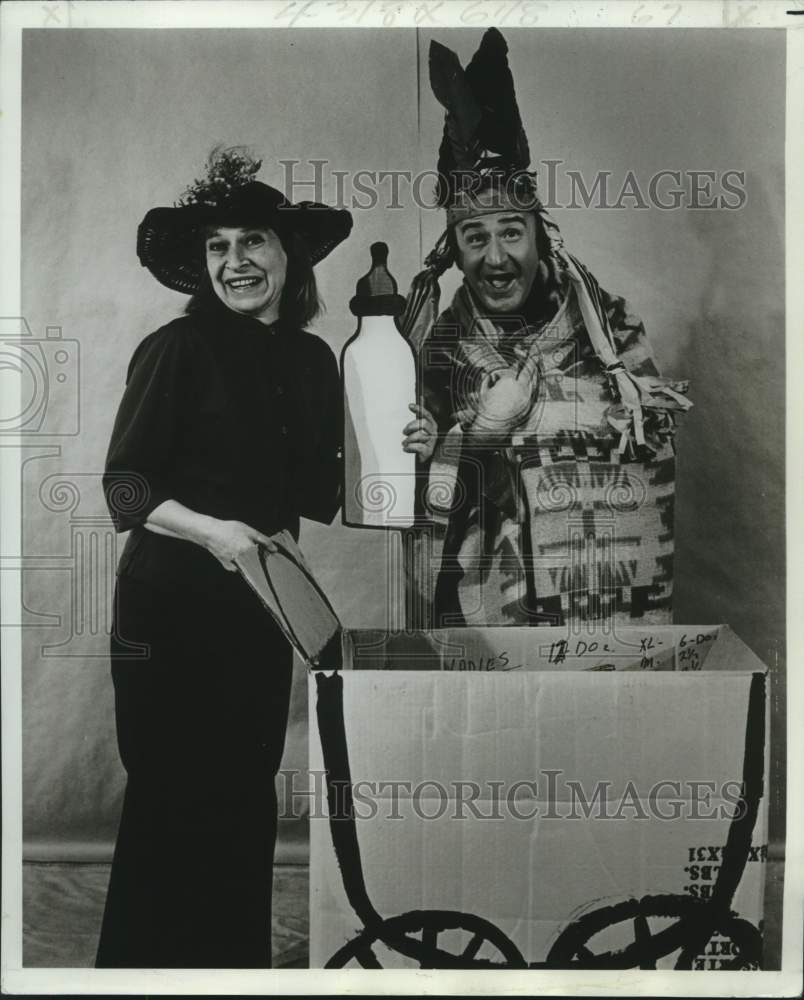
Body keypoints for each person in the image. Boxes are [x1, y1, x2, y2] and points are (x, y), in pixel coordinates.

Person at [96, 148, 352, 968]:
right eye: (217, 247)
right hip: (167, 614)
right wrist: (218, 533)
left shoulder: (314, 362)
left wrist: (396, 446)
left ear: (290, 255)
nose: (235, 262)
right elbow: (127, 492)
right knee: (173, 800)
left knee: (245, 798)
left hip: (258, 614)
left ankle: (231, 976)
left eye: (253, 242)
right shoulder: (177, 348)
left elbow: (322, 497)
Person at [404, 30, 691, 628]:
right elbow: (410, 492)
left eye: (511, 231)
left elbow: (653, 448)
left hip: (602, 603)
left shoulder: (609, 327)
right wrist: (478, 433)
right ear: (454, 251)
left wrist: (538, 423)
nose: (496, 255)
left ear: (539, 236)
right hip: (487, 610)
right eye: (475, 236)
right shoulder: (440, 346)